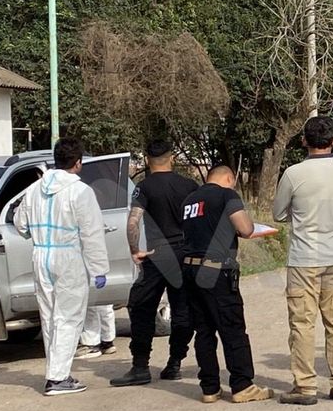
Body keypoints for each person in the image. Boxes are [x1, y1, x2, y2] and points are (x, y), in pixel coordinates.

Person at [13, 137, 109, 397]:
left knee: (49, 317)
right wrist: (99, 269)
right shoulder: (81, 192)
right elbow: (92, 233)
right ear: (78, 163)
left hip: (41, 255)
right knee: (68, 317)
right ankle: (58, 377)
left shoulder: (34, 189)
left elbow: (19, 223)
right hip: (67, 258)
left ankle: (54, 371)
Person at [271, 116, 333, 406]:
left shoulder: (294, 174)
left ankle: (305, 386)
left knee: (302, 323)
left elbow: (279, 214)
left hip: (304, 257)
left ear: (304, 141)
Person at [110, 140, 199, 387]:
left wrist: (134, 250)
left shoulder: (144, 187)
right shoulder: (189, 186)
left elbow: (132, 222)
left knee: (141, 307)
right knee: (183, 311)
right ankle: (175, 363)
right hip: (184, 253)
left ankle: (140, 366)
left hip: (157, 253)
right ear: (171, 158)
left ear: (148, 160)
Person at [181, 166, 271, 404]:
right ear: (229, 179)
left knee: (204, 331)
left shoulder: (190, 200)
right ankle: (242, 385)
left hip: (190, 268)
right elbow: (245, 228)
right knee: (232, 328)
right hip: (216, 269)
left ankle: (209, 387)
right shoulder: (226, 195)